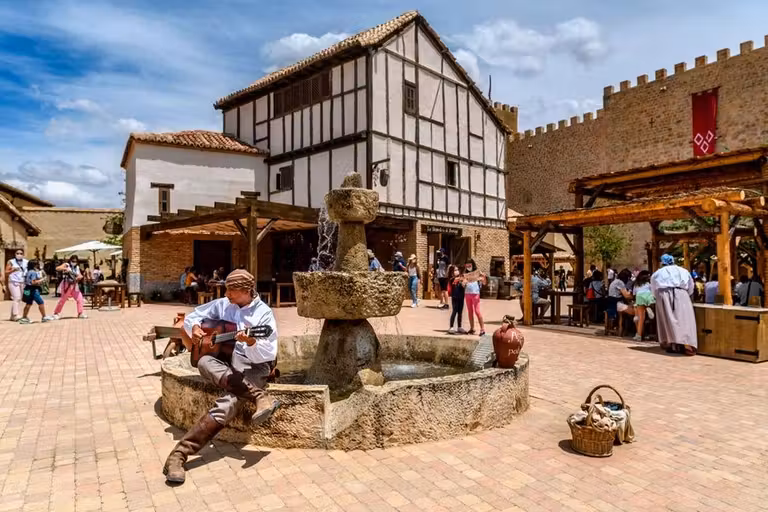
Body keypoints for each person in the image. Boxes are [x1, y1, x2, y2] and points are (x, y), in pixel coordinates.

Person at [163, 269, 280, 485]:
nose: (226, 295)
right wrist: (196, 327)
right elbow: (195, 315)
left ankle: (178, 455)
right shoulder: (224, 304)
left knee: (228, 404)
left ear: (246, 291)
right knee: (205, 361)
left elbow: (268, 353)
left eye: (231, 291)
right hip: (229, 360)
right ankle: (258, 395)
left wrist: (251, 341)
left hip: (255, 365)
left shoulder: (263, 315)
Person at [651, 254, 696, 356]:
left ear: (662, 262)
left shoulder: (658, 273)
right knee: (684, 320)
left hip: (664, 294)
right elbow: (690, 286)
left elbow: (653, 288)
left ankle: (670, 343)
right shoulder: (684, 271)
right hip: (682, 293)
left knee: (667, 320)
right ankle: (687, 344)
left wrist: (657, 297)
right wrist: (685, 295)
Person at [53, 255, 87, 320]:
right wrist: (65, 269)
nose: (74, 262)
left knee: (80, 298)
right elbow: (57, 268)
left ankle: (80, 313)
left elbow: (79, 275)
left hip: (74, 285)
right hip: (67, 284)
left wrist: (79, 277)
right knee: (63, 299)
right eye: (73, 261)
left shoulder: (77, 267)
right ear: (70, 260)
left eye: (75, 261)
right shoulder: (67, 265)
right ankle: (56, 313)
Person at [463, 259, 487, 336]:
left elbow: (484, 282)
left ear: (472, 264)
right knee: (470, 312)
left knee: (477, 311)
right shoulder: (465, 273)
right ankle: (472, 328)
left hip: (475, 293)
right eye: (467, 265)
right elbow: (463, 284)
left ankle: (482, 329)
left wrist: (484, 277)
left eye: (469, 265)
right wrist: (463, 283)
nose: (468, 266)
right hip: (467, 293)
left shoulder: (477, 272)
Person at [631, 270, 655, 341]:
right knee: (651, 301)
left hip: (639, 297)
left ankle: (638, 335)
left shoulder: (636, 284)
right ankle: (648, 307)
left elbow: (634, 294)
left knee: (641, 318)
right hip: (648, 296)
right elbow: (653, 292)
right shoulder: (648, 284)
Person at [5, 248, 28, 321]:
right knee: (17, 297)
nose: (19, 255)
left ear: (23, 254)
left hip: (22, 281)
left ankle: (12, 316)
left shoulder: (26, 262)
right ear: (15, 254)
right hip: (13, 282)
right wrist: (13, 270)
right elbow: (6, 272)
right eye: (17, 253)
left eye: (21, 253)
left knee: (19, 298)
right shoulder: (11, 262)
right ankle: (16, 315)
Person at [447, 265, 465, 334]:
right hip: (455, 297)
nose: (457, 271)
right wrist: (459, 279)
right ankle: (451, 326)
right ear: (452, 272)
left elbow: (463, 285)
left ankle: (459, 326)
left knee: (460, 312)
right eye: (455, 270)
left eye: (457, 270)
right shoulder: (452, 279)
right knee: (454, 311)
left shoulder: (461, 278)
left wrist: (464, 283)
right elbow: (454, 282)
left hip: (461, 297)